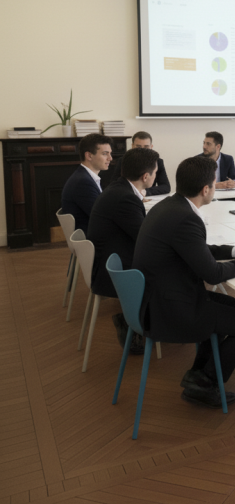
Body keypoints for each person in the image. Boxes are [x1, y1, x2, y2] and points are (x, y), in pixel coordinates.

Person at [133, 156, 235, 407]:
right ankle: (206, 381)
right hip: (169, 310)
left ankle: (199, 374)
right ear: (206, 190)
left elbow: (195, 249)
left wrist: (234, 252)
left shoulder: (171, 206)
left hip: (156, 299)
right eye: (214, 184)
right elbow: (213, 275)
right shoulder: (186, 218)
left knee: (229, 305)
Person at [88, 148, 159, 355]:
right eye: (155, 173)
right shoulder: (125, 198)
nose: (155, 176)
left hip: (110, 258)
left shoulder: (120, 188)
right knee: (168, 267)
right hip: (113, 272)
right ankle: (144, 323)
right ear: (145, 177)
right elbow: (146, 239)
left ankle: (138, 321)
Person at [61, 133, 113, 233]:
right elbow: (102, 216)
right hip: (92, 238)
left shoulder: (85, 176)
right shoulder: (83, 182)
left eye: (110, 153)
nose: (110, 158)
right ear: (89, 155)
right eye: (105, 154)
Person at [109, 131, 171, 196]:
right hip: (128, 195)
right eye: (138, 147)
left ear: (151, 147)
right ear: (132, 146)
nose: (142, 150)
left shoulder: (158, 162)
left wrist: (145, 191)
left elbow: (166, 187)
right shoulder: (123, 160)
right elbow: (114, 184)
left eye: (146, 147)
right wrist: (136, 192)